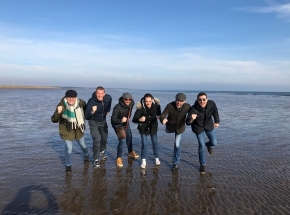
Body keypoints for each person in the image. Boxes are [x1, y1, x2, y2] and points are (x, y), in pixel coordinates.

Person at [51, 89, 89, 173]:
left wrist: (93, 112)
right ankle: (68, 165)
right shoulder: (62, 105)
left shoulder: (81, 102)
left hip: (79, 128)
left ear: (76, 97)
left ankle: (86, 155)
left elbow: (87, 110)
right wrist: (58, 112)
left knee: (83, 145)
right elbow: (54, 120)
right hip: (66, 129)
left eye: (73, 97)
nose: (71, 99)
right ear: (66, 97)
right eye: (69, 97)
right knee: (69, 148)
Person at [186, 92, 220, 174]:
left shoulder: (211, 104)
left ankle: (208, 145)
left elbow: (215, 111)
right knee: (201, 145)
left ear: (207, 99)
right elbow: (187, 122)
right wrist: (191, 119)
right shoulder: (193, 109)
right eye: (200, 100)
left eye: (204, 99)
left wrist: (217, 121)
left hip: (208, 125)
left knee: (214, 143)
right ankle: (202, 164)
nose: (202, 101)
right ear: (197, 100)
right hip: (198, 128)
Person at [159, 92, 191, 171]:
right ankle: (169, 129)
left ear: (184, 101)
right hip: (170, 126)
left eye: (181, 101)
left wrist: (189, 118)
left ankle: (175, 163)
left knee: (177, 145)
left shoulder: (187, 107)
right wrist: (162, 119)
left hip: (180, 128)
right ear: (175, 100)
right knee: (167, 131)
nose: (179, 102)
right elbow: (163, 115)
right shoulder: (170, 105)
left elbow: (192, 113)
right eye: (177, 100)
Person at [85, 86, 112, 168]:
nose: (100, 95)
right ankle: (96, 159)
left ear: (104, 93)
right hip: (93, 121)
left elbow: (109, 105)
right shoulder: (91, 101)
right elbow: (87, 116)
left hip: (103, 121)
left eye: (101, 93)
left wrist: (107, 111)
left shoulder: (108, 98)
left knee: (104, 137)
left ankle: (101, 151)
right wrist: (92, 111)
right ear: (95, 93)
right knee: (97, 139)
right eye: (98, 93)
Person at [132, 93, 161, 169]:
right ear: (144, 101)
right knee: (144, 144)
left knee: (155, 142)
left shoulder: (156, 106)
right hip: (143, 128)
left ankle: (156, 158)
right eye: (146, 101)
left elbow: (159, 114)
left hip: (153, 127)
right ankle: (143, 161)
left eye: (149, 101)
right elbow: (134, 119)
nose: (148, 103)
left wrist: (160, 117)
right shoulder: (141, 108)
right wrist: (139, 119)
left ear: (152, 100)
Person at [111, 92, 139, 167]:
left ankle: (130, 152)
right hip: (117, 124)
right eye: (126, 99)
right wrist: (120, 120)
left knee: (129, 136)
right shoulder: (117, 107)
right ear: (123, 99)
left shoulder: (131, 104)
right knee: (122, 140)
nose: (128, 101)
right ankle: (118, 158)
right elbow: (113, 119)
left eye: (129, 99)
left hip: (126, 123)